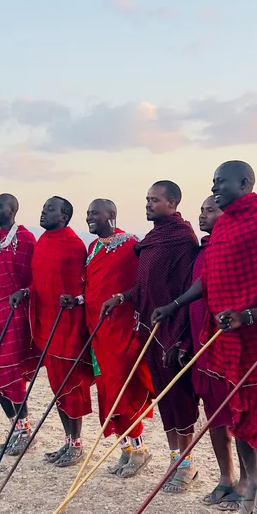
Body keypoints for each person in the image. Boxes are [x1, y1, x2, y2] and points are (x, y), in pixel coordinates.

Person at [158, 163, 257, 514]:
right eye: (212, 182)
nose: (215, 188)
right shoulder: (225, 225)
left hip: (256, 337)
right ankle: (246, 489)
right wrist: (175, 306)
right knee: (236, 416)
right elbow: (209, 279)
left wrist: (248, 315)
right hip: (223, 337)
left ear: (245, 183)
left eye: (221, 182)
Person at [108, 181, 199, 492]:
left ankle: (187, 465)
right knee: (164, 399)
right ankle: (175, 458)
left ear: (172, 203)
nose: (148, 204)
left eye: (155, 200)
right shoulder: (152, 240)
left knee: (180, 398)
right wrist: (122, 297)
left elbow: (188, 290)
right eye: (147, 199)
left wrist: (182, 339)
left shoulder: (182, 239)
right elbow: (145, 286)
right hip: (150, 328)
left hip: (174, 329)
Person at [70, 199, 153, 478]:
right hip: (97, 331)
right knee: (107, 387)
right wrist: (78, 300)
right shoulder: (93, 248)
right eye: (87, 213)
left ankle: (140, 448)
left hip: (121, 329)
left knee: (124, 386)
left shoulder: (131, 244)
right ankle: (127, 448)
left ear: (112, 215)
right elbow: (92, 288)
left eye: (94, 213)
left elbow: (140, 285)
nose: (89, 218)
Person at [10, 197, 93, 467]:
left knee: (71, 386)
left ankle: (77, 444)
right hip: (46, 324)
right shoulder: (43, 242)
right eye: (43, 208)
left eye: (50, 210)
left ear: (65, 215)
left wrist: (75, 302)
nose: (43, 213)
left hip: (68, 327)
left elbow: (84, 287)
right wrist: (25, 291)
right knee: (57, 387)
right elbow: (38, 281)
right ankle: (67, 441)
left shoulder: (74, 246)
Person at [189, 195, 244, 509]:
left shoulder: (235, 247)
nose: (203, 215)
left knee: (240, 415)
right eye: (202, 210)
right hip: (202, 347)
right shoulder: (203, 251)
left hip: (230, 346)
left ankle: (251, 482)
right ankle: (226, 477)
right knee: (215, 416)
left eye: (211, 210)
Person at [0, 194, 39, 456]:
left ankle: (24, 430)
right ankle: (16, 427)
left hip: (18, 313)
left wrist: (25, 291)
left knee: (13, 374)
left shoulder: (26, 238)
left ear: (13, 209)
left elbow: (38, 276)